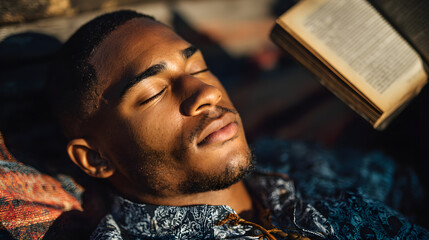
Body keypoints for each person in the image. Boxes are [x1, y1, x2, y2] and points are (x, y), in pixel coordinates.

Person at [46, 10, 429, 239]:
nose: (206, 93)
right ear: (94, 158)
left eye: (200, 68)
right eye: (152, 93)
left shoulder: (292, 162)